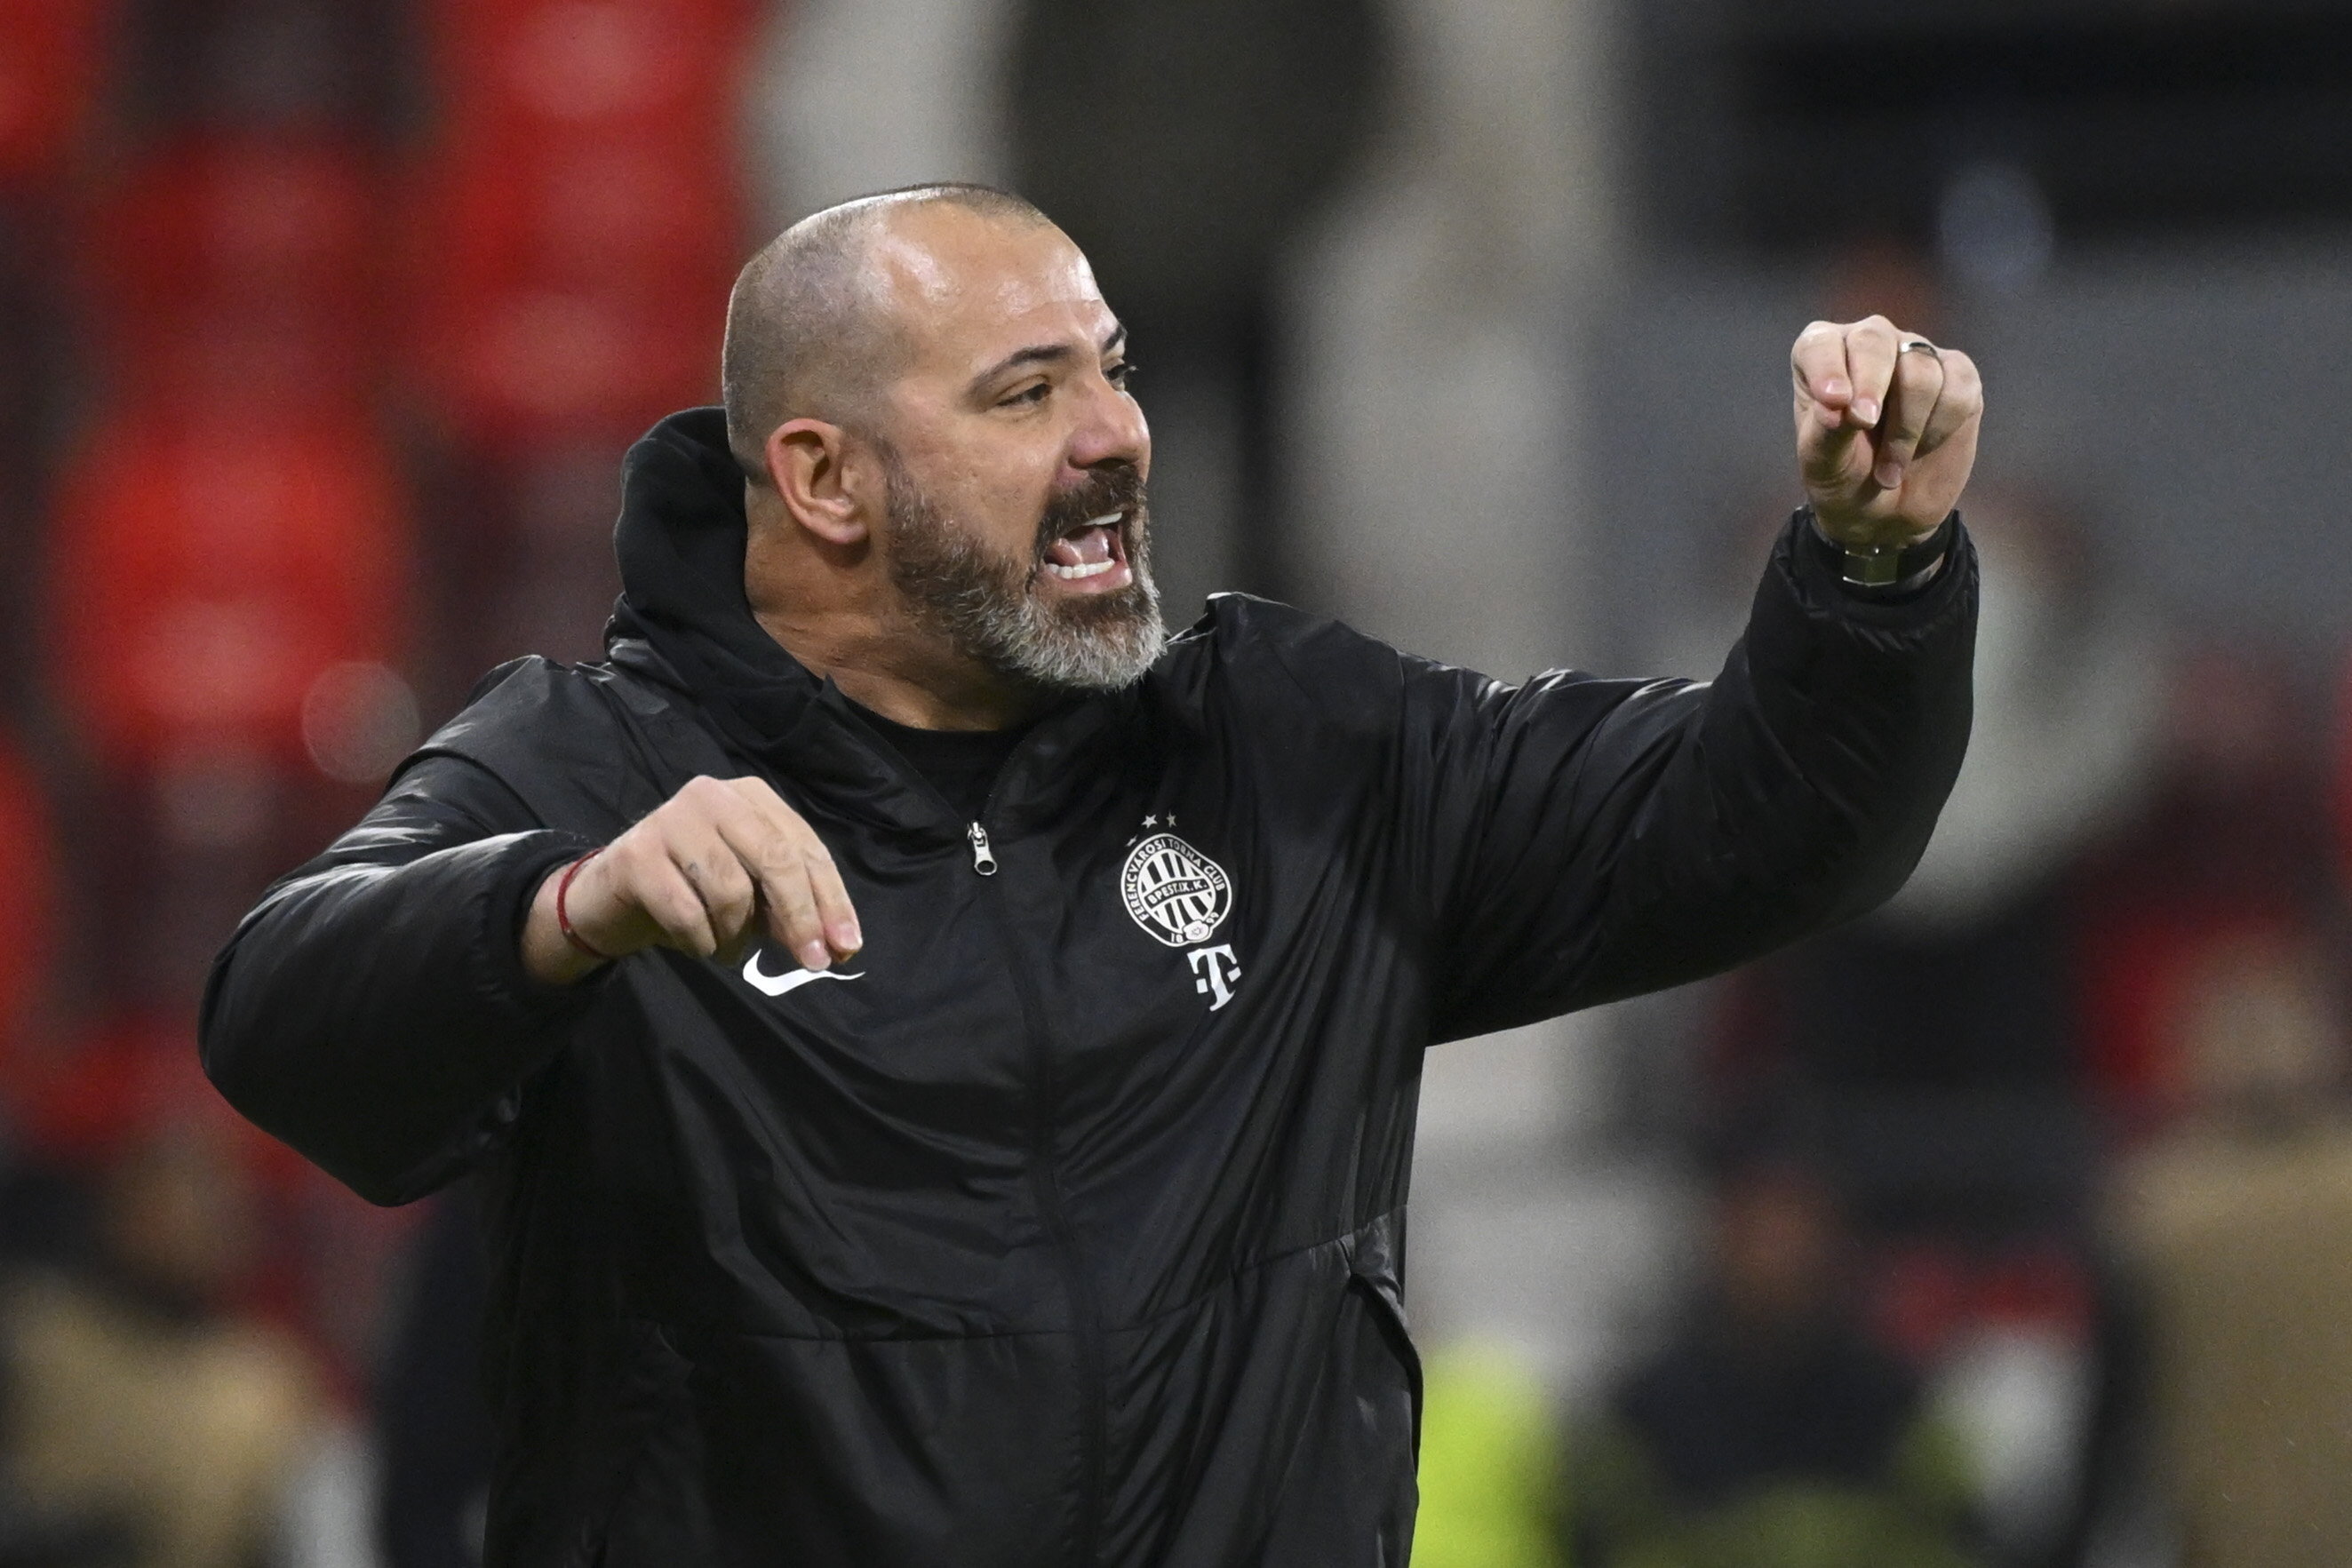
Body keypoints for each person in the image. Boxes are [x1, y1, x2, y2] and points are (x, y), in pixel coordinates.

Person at [199, 184, 1981, 1565]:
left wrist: (1870, 577)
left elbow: (1763, 824)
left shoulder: (1290, 752)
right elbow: (282, 1020)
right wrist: (557, 910)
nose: (1117, 429)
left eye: (1112, 367)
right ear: (825, 479)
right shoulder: (593, 772)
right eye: (1027, 390)